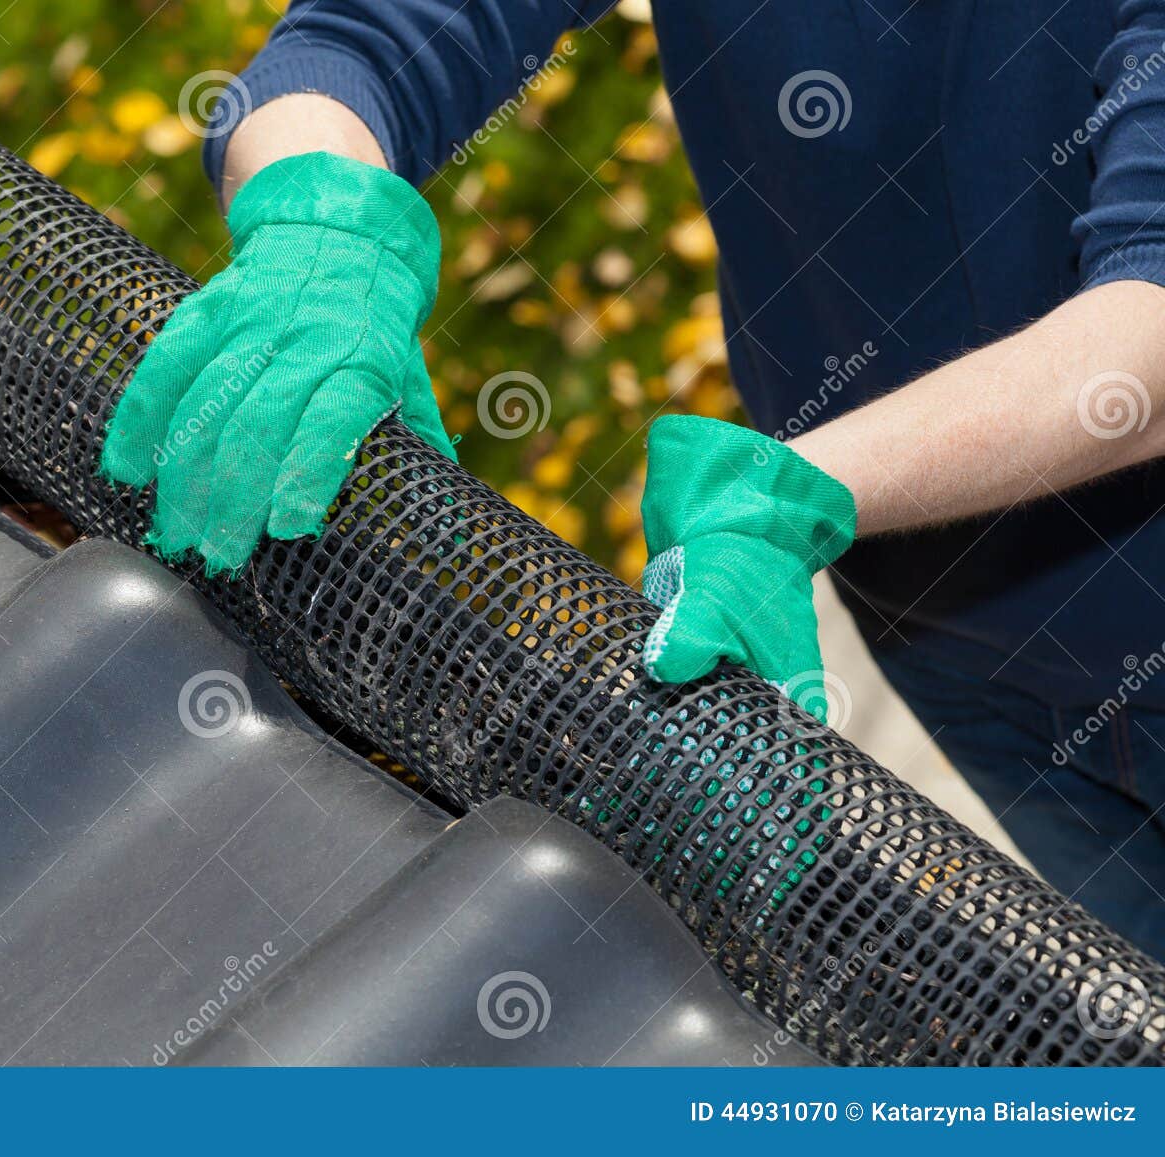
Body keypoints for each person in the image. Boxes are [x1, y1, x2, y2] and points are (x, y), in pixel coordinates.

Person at [100, 1, 1165, 961]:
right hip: (948, 624)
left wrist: (792, 491)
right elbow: (369, 39)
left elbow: (1147, 324)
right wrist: (318, 220)